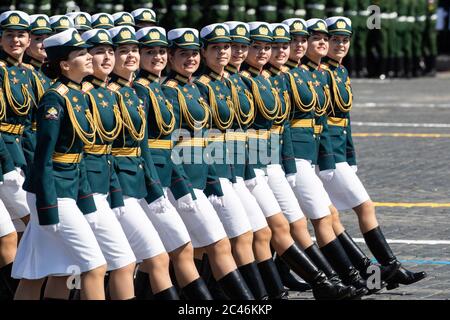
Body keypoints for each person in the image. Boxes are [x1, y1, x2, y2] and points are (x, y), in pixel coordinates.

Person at [238, 21, 351, 300]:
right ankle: (325, 280)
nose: (266, 52)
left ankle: (322, 281)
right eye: (258, 46)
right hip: (246, 166)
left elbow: (283, 126)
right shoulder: (241, 81)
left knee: (275, 229)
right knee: (261, 233)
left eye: (272, 46)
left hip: (272, 162)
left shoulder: (268, 78)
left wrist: (286, 164)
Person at [320, 16, 427, 290]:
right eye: (335, 40)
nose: (341, 45)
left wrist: (350, 154)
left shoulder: (341, 71)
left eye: (345, 40)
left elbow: (345, 120)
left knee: (330, 217)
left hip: (338, 153)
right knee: (360, 208)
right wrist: (330, 157)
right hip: (323, 154)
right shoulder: (319, 74)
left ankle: (368, 272)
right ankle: (385, 267)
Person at [12, 28, 107, 300]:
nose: (89, 57)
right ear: (65, 65)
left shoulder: (79, 94)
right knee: (95, 266)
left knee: (50, 272)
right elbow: (42, 158)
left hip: (68, 188)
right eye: (81, 54)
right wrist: (48, 207)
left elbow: (79, 156)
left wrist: (85, 200)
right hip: (52, 193)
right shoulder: (55, 99)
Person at [162, 27, 254, 299]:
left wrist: (214, 177)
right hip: (180, 179)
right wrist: (181, 185)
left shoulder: (194, 87)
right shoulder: (169, 90)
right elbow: (165, 146)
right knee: (209, 245)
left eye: (193, 54)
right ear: (171, 56)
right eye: (184, 54)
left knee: (191, 249)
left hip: (207, 173)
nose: (191, 59)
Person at [134, 25, 213, 300]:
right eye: (149, 51)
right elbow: (143, 145)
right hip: (151, 178)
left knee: (163, 252)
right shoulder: (142, 91)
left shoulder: (157, 88)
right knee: (174, 249)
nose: (157, 57)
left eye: (160, 51)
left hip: (170, 174)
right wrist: (158, 186)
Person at [195, 23, 268, 300]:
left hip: (234, 167)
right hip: (212, 172)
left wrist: (248, 168)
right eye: (216, 48)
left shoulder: (229, 81)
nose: (224, 52)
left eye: (226, 47)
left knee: (238, 236)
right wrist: (213, 177)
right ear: (204, 52)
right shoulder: (200, 86)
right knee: (229, 238)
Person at [107, 25, 179, 300]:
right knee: (130, 262)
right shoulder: (110, 93)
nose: (131, 56)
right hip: (116, 186)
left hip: (138, 181)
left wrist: (151, 184)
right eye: (122, 51)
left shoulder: (133, 91)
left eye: (133, 50)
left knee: (143, 260)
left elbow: (143, 144)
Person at [224, 20, 287, 300]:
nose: (238, 52)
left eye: (240, 47)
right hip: (224, 171)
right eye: (232, 47)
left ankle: (272, 291)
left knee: (255, 233)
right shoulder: (216, 84)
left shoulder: (247, 80)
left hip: (252, 164)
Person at [80, 28, 137, 300]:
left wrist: (114, 191)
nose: (106, 57)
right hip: (84, 187)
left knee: (95, 266)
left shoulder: (109, 94)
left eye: (109, 51)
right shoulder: (79, 95)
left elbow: (109, 151)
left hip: (105, 181)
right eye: (98, 51)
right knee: (115, 263)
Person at [0, 12, 37, 297]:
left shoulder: (28, 73)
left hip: (18, 156)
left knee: (16, 236)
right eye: (10, 34)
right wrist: (9, 166)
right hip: (4, 163)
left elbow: (29, 126)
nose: (16, 40)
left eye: (21, 35)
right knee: (29, 228)